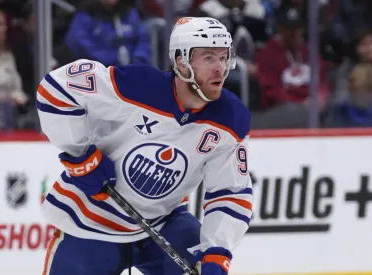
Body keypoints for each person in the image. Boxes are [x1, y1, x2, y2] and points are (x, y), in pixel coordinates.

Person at [37, 17, 253, 275]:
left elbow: (230, 193)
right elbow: (56, 88)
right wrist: (80, 155)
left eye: (223, 57)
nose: (220, 68)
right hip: (88, 222)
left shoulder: (230, 118)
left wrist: (217, 252)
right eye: (208, 58)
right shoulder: (137, 86)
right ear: (182, 62)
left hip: (163, 224)